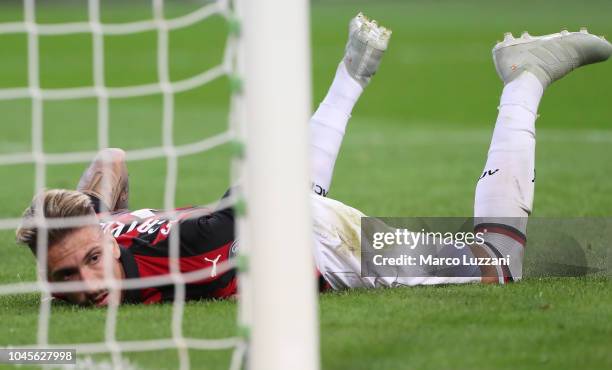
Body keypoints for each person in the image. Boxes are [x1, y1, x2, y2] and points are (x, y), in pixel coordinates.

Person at [15, 14, 611, 306]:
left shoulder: (180, 252)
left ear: (109, 241)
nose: (88, 283)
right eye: (66, 275)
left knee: (499, 267)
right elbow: (111, 159)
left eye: (91, 260)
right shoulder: (102, 229)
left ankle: (526, 76)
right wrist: (93, 211)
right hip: (281, 219)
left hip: (326, 242)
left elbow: (243, 217)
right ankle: (351, 75)